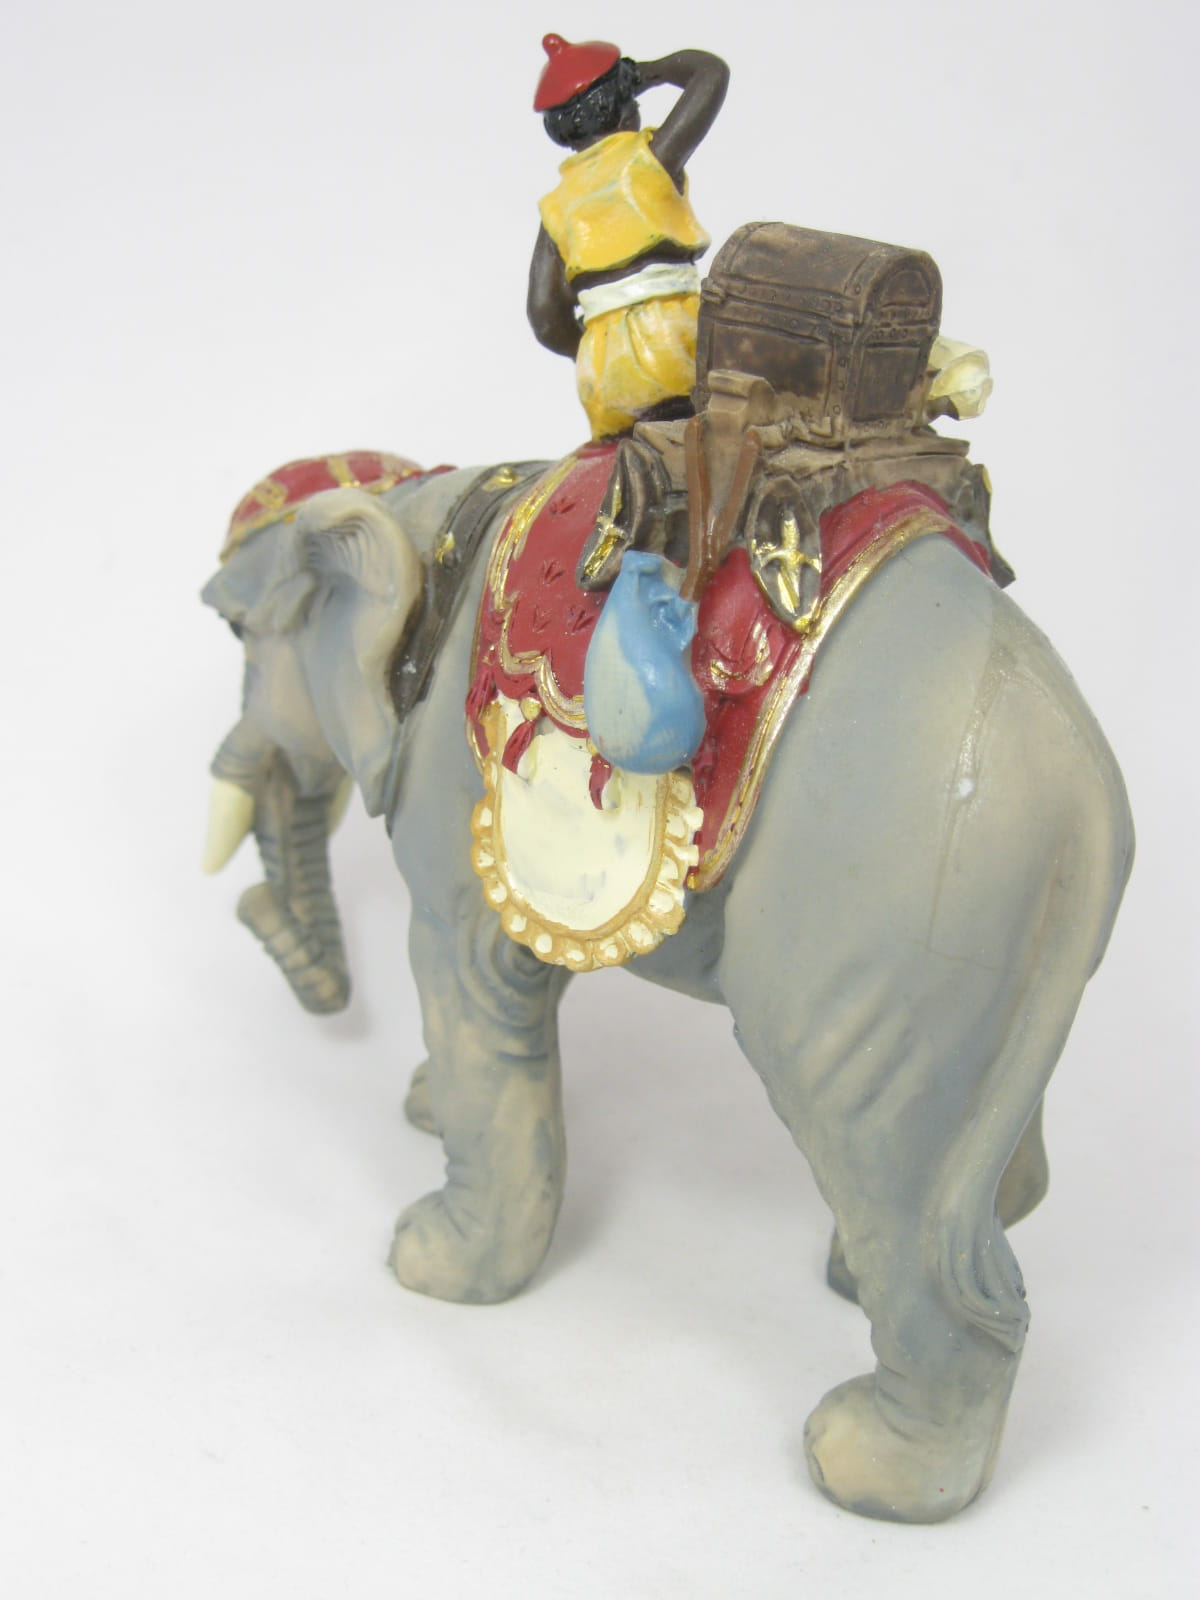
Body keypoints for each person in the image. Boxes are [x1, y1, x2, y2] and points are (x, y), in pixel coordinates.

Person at [528, 34, 728, 441]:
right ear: (625, 111)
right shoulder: (648, 160)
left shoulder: (557, 206)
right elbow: (710, 73)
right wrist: (645, 73)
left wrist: (595, 340)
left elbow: (545, 316)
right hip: (676, 341)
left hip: (603, 372)